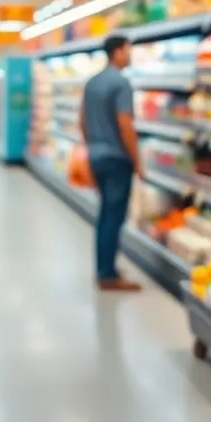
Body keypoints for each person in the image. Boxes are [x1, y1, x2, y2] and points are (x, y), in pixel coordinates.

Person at [80, 34, 143, 292]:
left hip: (96, 155)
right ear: (116, 52)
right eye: (128, 50)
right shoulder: (121, 83)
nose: (130, 55)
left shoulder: (92, 83)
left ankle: (105, 268)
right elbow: (125, 123)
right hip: (117, 159)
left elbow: (82, 120)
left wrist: (91, 147)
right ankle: (107, 274)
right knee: (114, 217)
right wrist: (137, 159)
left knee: (105, 214)